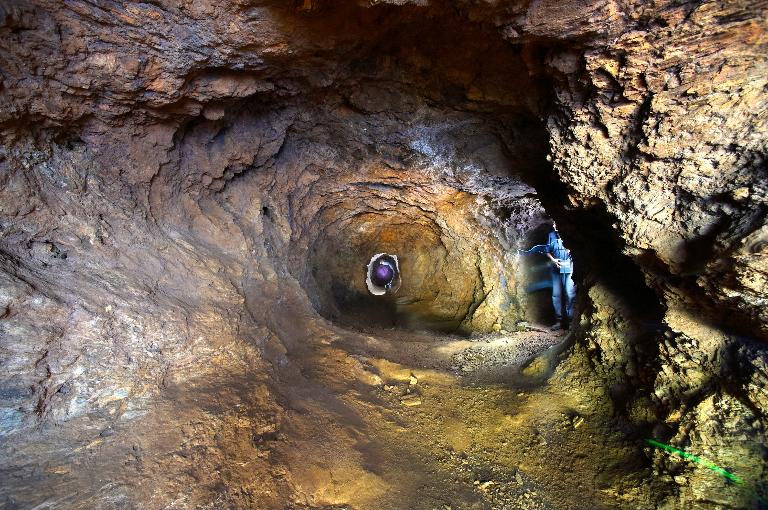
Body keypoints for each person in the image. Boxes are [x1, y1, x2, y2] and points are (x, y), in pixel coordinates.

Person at [517, 222, 576, 330]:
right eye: (554, 224)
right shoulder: (551, 235)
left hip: (568, 269)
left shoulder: (570, 234)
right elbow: (547, 250)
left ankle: (571, 321)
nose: (554, 226)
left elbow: (578, 250)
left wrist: (569, 258)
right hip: (555, 270)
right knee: (556, 295)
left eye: (556, 224)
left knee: (569, 293)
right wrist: (553, 260)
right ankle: (559, 321)